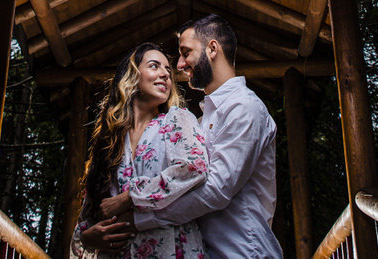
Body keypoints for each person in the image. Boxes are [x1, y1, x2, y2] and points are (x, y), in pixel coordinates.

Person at [100, 15, 284, 259]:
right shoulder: (202, 120)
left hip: (243, 251)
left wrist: (136, 217)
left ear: (212, 49)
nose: (179, 65)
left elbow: (216, 190)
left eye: (186, 53)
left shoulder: (244, 107)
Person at [72, 42, 209, 259]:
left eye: (168, 70)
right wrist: (88, 238)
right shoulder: (109, 143)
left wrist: (130, 197)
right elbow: (92, 213)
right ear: (133, 76)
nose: (165, 74)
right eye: (154, 66)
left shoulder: (176, 119)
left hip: (171, 250)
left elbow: (194, 167)